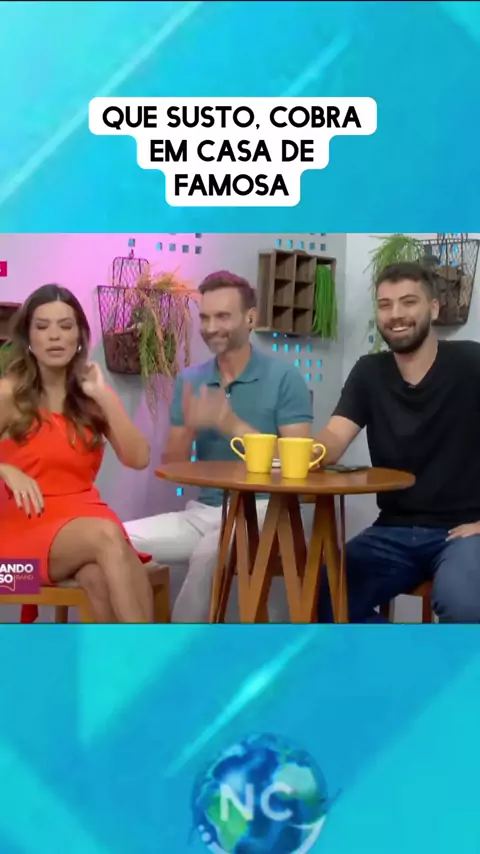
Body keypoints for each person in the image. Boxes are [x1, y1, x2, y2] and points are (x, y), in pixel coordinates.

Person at [125, 271, 313, 622]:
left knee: (209, 552)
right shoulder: (191, 380)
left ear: (250, 318)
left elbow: (299, 465)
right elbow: (172, 466)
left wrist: (230, 423)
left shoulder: (285, 378)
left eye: (223, 316)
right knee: (116, 540)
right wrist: (187, 428)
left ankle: (181, 649)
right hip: (205, 512)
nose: (211, 328)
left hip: (269, 512)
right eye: (206, 318)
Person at [315, 261, 480, 623]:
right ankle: (400, 657)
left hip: (464, 531)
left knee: (466, 607)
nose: (395, 315)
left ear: (433, 309)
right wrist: (302, 453)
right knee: (322, 595)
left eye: (408, 302)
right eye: (385, 305)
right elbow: (334, 438)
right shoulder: (369, 372)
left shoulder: (471, 362)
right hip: (393, 528)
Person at [0, 284, 155, 624]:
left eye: (65, 326)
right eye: (43, 327)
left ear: (79, 338)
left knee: (99, 578)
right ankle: (150, 651)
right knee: (107, 536)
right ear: (29, 338)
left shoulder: (91, 397)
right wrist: (4, 469)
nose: (55, 336)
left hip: (84, 527)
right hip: (16, 545)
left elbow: (138, 458)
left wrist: (103, 395)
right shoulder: (9, 394)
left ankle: (118, 660)